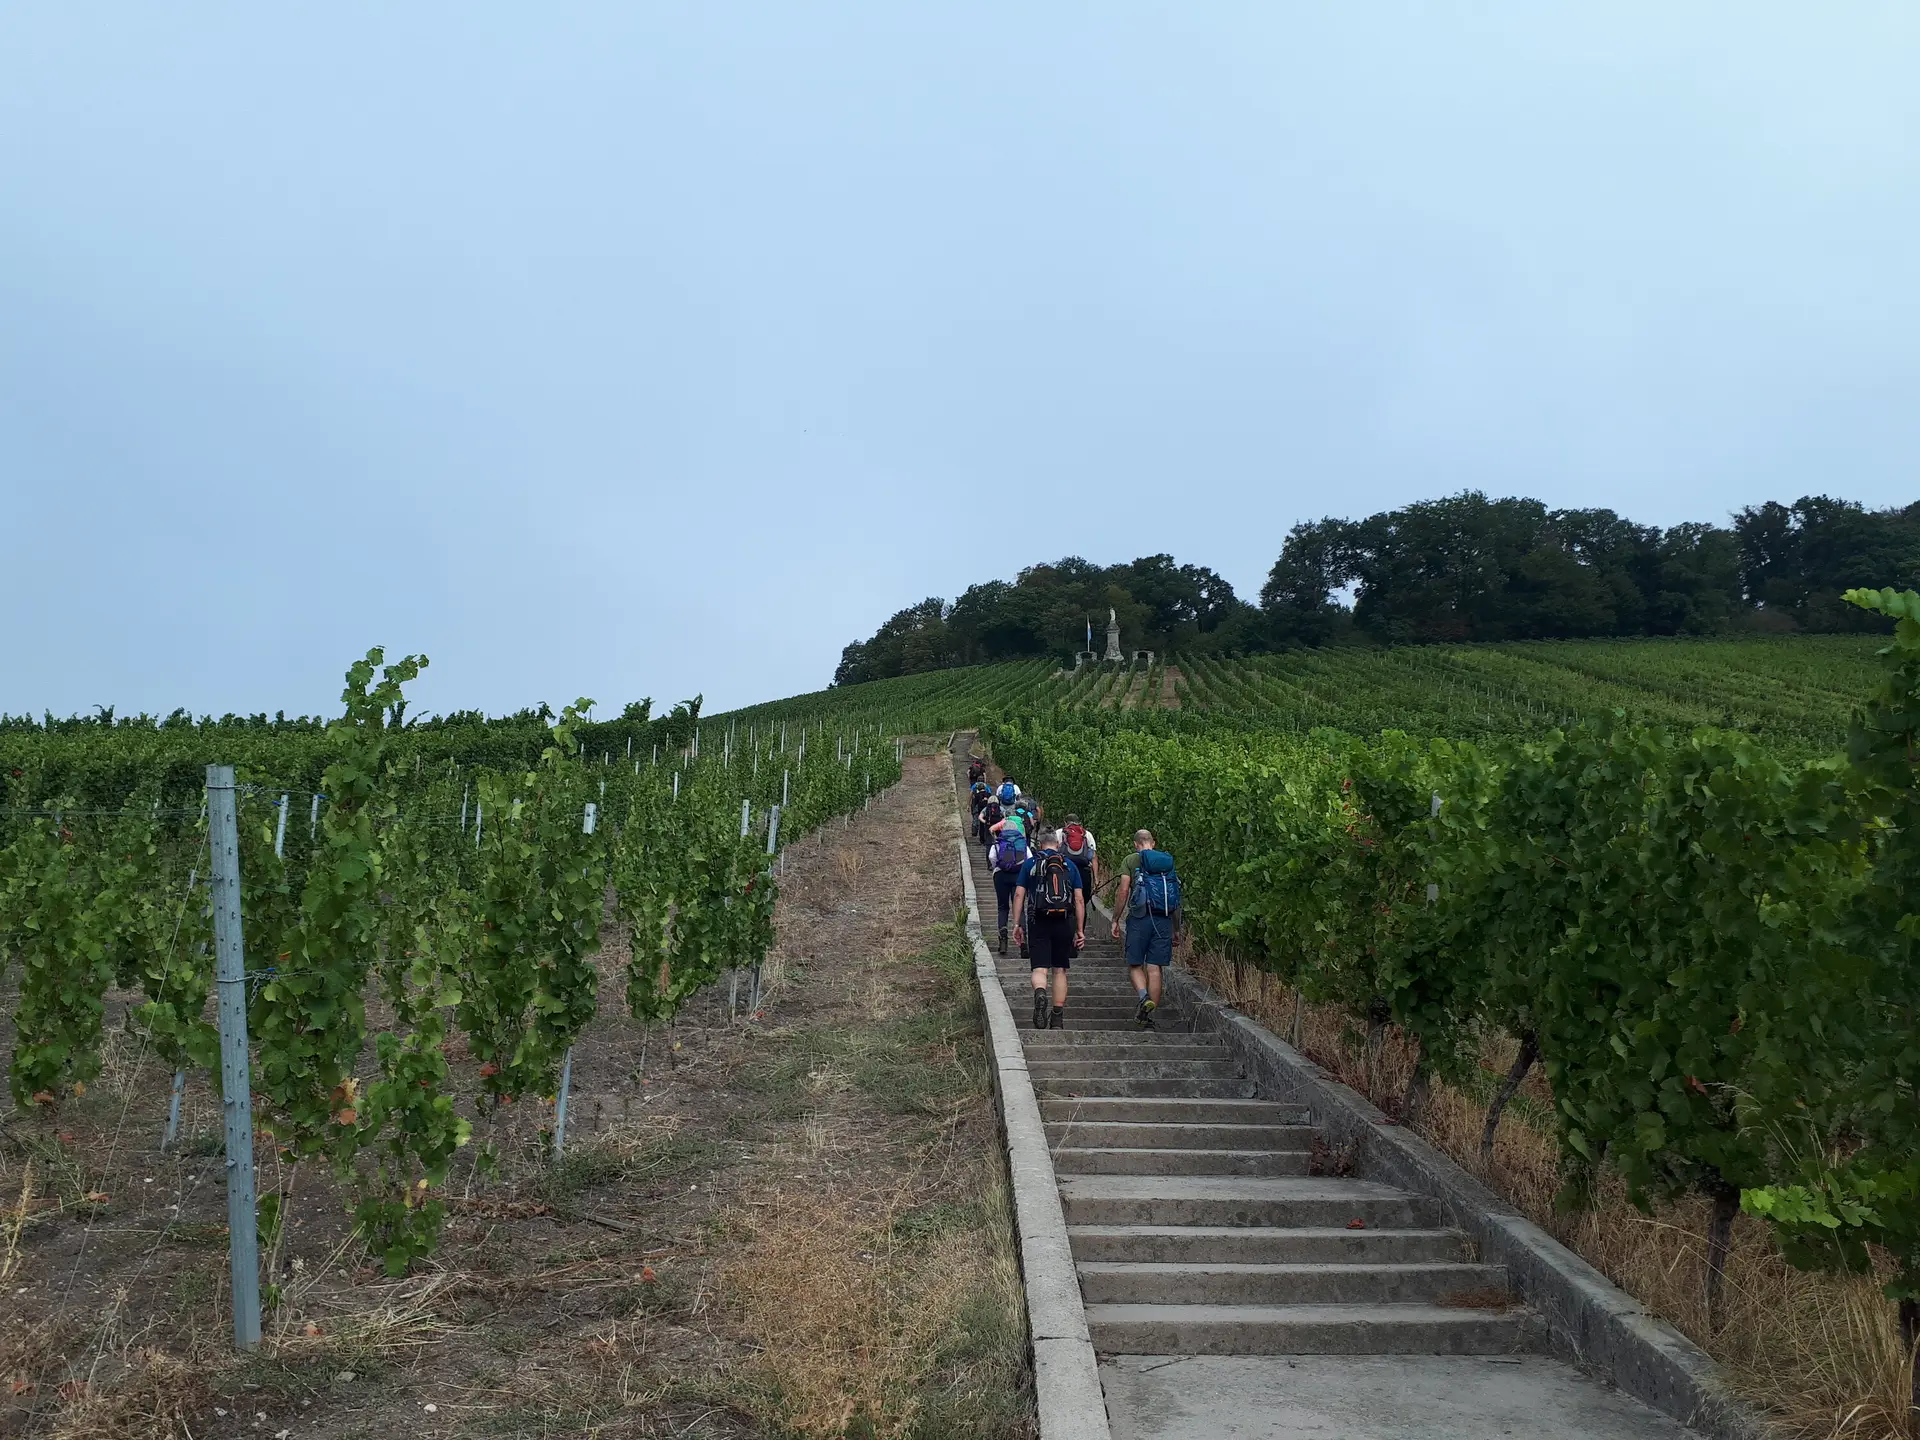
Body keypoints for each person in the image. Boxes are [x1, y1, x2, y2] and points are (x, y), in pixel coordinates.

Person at [1013, 829, 1085, 1029]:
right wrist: (1080, 930)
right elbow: (1079, 899)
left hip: (1038, 921)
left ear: (1040, 845)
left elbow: (1018, 895)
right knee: (1060, 969)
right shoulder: (1069, 865)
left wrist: (1017, 924)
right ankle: (1057, 1019)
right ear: (1059, 844)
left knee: (1039, 968)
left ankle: (1040, 993)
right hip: (1064, 921)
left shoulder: (1030, 864)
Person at [1111, 829, 1181, 1028]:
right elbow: (1175, 895)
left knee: (1135, 964)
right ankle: (1148, 1017)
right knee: (1154, 968)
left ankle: (1143, 997)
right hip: (1163, 918)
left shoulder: (1131, 860)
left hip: (1140, 918)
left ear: (1136, 844)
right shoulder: (1166, 862)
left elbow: (1124, 890)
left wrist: (1115, 918)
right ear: (1153, 842)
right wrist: (1176, 929)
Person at [988, 820, 1030, 956]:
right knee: (1019, 907)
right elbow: (1029, 858)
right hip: (1019, 876)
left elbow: (992, 857)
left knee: (1002, 907)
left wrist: (998, 866)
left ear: (1003, 829)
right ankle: (1023, 943)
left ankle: (1003, 941)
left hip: (1001, 876)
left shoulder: (999, 842)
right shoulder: (1021, 842)